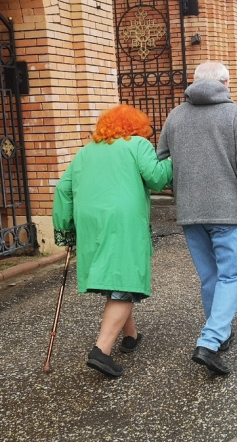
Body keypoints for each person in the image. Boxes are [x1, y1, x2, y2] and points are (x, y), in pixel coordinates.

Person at [157, 61, 237, 375]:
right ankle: (209, 341)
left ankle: (219, 336)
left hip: (189, 212)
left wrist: (182, 187)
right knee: (231, 275)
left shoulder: (175, 116)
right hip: (227, 212)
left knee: (210, 277)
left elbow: (162, 163)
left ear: (194, 83)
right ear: (225, 82)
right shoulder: (236, 116)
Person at [52, 104, 173, 378]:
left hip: (90, 221)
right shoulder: (138, 144)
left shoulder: (86, 151)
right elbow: (156, 179)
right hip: (121, 220)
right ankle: (101, 350)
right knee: (124, 279)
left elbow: (63, 189)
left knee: (115, 274)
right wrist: (174, 160)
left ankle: (130, 336)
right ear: (137, 127)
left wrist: (66, 226)